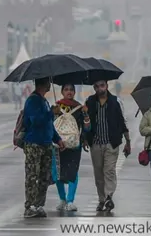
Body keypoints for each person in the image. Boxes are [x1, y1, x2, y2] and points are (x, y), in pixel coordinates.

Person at [84, 80, 130, 212]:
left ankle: (109, 196)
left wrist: (128, 141)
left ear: (107, 86)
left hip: (111, 143)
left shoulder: (116, 102)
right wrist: (85, 138)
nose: (100, 89)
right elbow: (86, 124)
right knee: (98, 174)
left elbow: (123, 122)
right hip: (96, 143)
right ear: (94, 88)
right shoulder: (90, 102)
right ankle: (101, 200)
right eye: (97, 86)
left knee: (109, 171)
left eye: (102, 85)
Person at [23, 77, 66, 218]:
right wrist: (50, 113)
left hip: (47, 144)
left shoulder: (44, 101)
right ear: (43, 84)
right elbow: (35, 121)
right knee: (32, 176)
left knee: (44, 177)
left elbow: (49, 125)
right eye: (48, 82)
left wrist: (58, 139)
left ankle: (39, 205)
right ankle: (29, 206)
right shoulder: (32, 101)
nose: (50, 84)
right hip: (34, 144)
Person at [51, 84, 91, 212]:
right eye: (66, 90)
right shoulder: (56, 106)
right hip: (58, 144)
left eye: (71, 90)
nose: (69, 92)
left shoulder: (80, 108)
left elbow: (86, 128)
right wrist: (54, 114)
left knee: (73, 171)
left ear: (75, 92)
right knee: (58, 172)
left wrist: (85, 114)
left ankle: (70, 200)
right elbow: (51, 125)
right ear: (62, 91)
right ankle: (62, 199)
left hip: (74, 145)